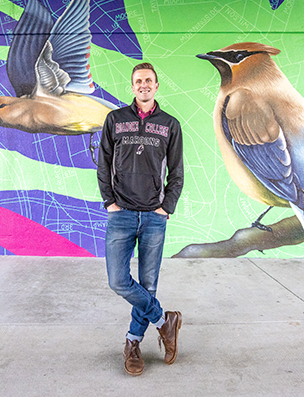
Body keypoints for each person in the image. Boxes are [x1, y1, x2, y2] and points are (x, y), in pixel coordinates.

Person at [97, 62, 184, 376]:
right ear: (132, 87)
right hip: (121, 214)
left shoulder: (170, 125)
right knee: (118, 281)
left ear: (156, 86)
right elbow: (103, 162)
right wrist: (109, 202)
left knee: (148, 285)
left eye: (149, 80)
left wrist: (166, 207)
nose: (144, 85)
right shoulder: (115, 120)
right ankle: (164, 320)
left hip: (153, 216)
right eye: (138, 81)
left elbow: (177, 173)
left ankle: (133, 343)